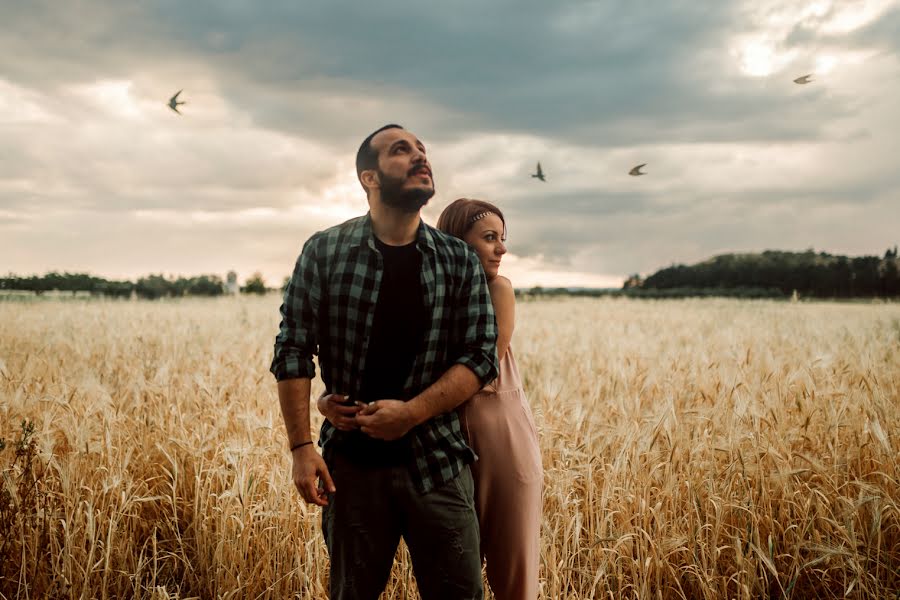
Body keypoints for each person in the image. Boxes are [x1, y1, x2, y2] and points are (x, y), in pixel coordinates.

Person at [271, 124, 499, 600]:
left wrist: (410, 414)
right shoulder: (325, 251)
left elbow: (480, 358)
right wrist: (300, 448)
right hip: (351, 468)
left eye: (423, 150)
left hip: (437, 461)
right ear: (369, 178)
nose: (420, 157)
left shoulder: (457, 261)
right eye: (402, 151)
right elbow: (293, 348)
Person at [435, 198, 543, 600]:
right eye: (489, 238)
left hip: (502, 439)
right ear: (456, 242)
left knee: (514, 574)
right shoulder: (433, 294)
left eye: (502, 238)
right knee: (456, 577)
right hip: (443, 439)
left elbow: (484, 362)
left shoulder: (499, 289)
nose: (502, 248)